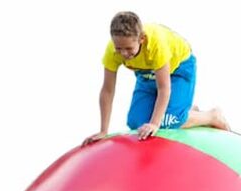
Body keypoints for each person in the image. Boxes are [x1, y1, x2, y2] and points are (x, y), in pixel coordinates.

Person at [82, 11, 229, 144]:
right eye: (119, 48)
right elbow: (107, 90)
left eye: (129, 48)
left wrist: (154, 124)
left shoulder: (156, 45)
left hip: (178, 69)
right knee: (137, 123)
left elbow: (164, 88)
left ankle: (212, 116)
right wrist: (103, 130)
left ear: (141, 39)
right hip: (147, 74)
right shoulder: (112, 51)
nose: (124, 53)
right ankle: (185, 110)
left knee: (167, 121)